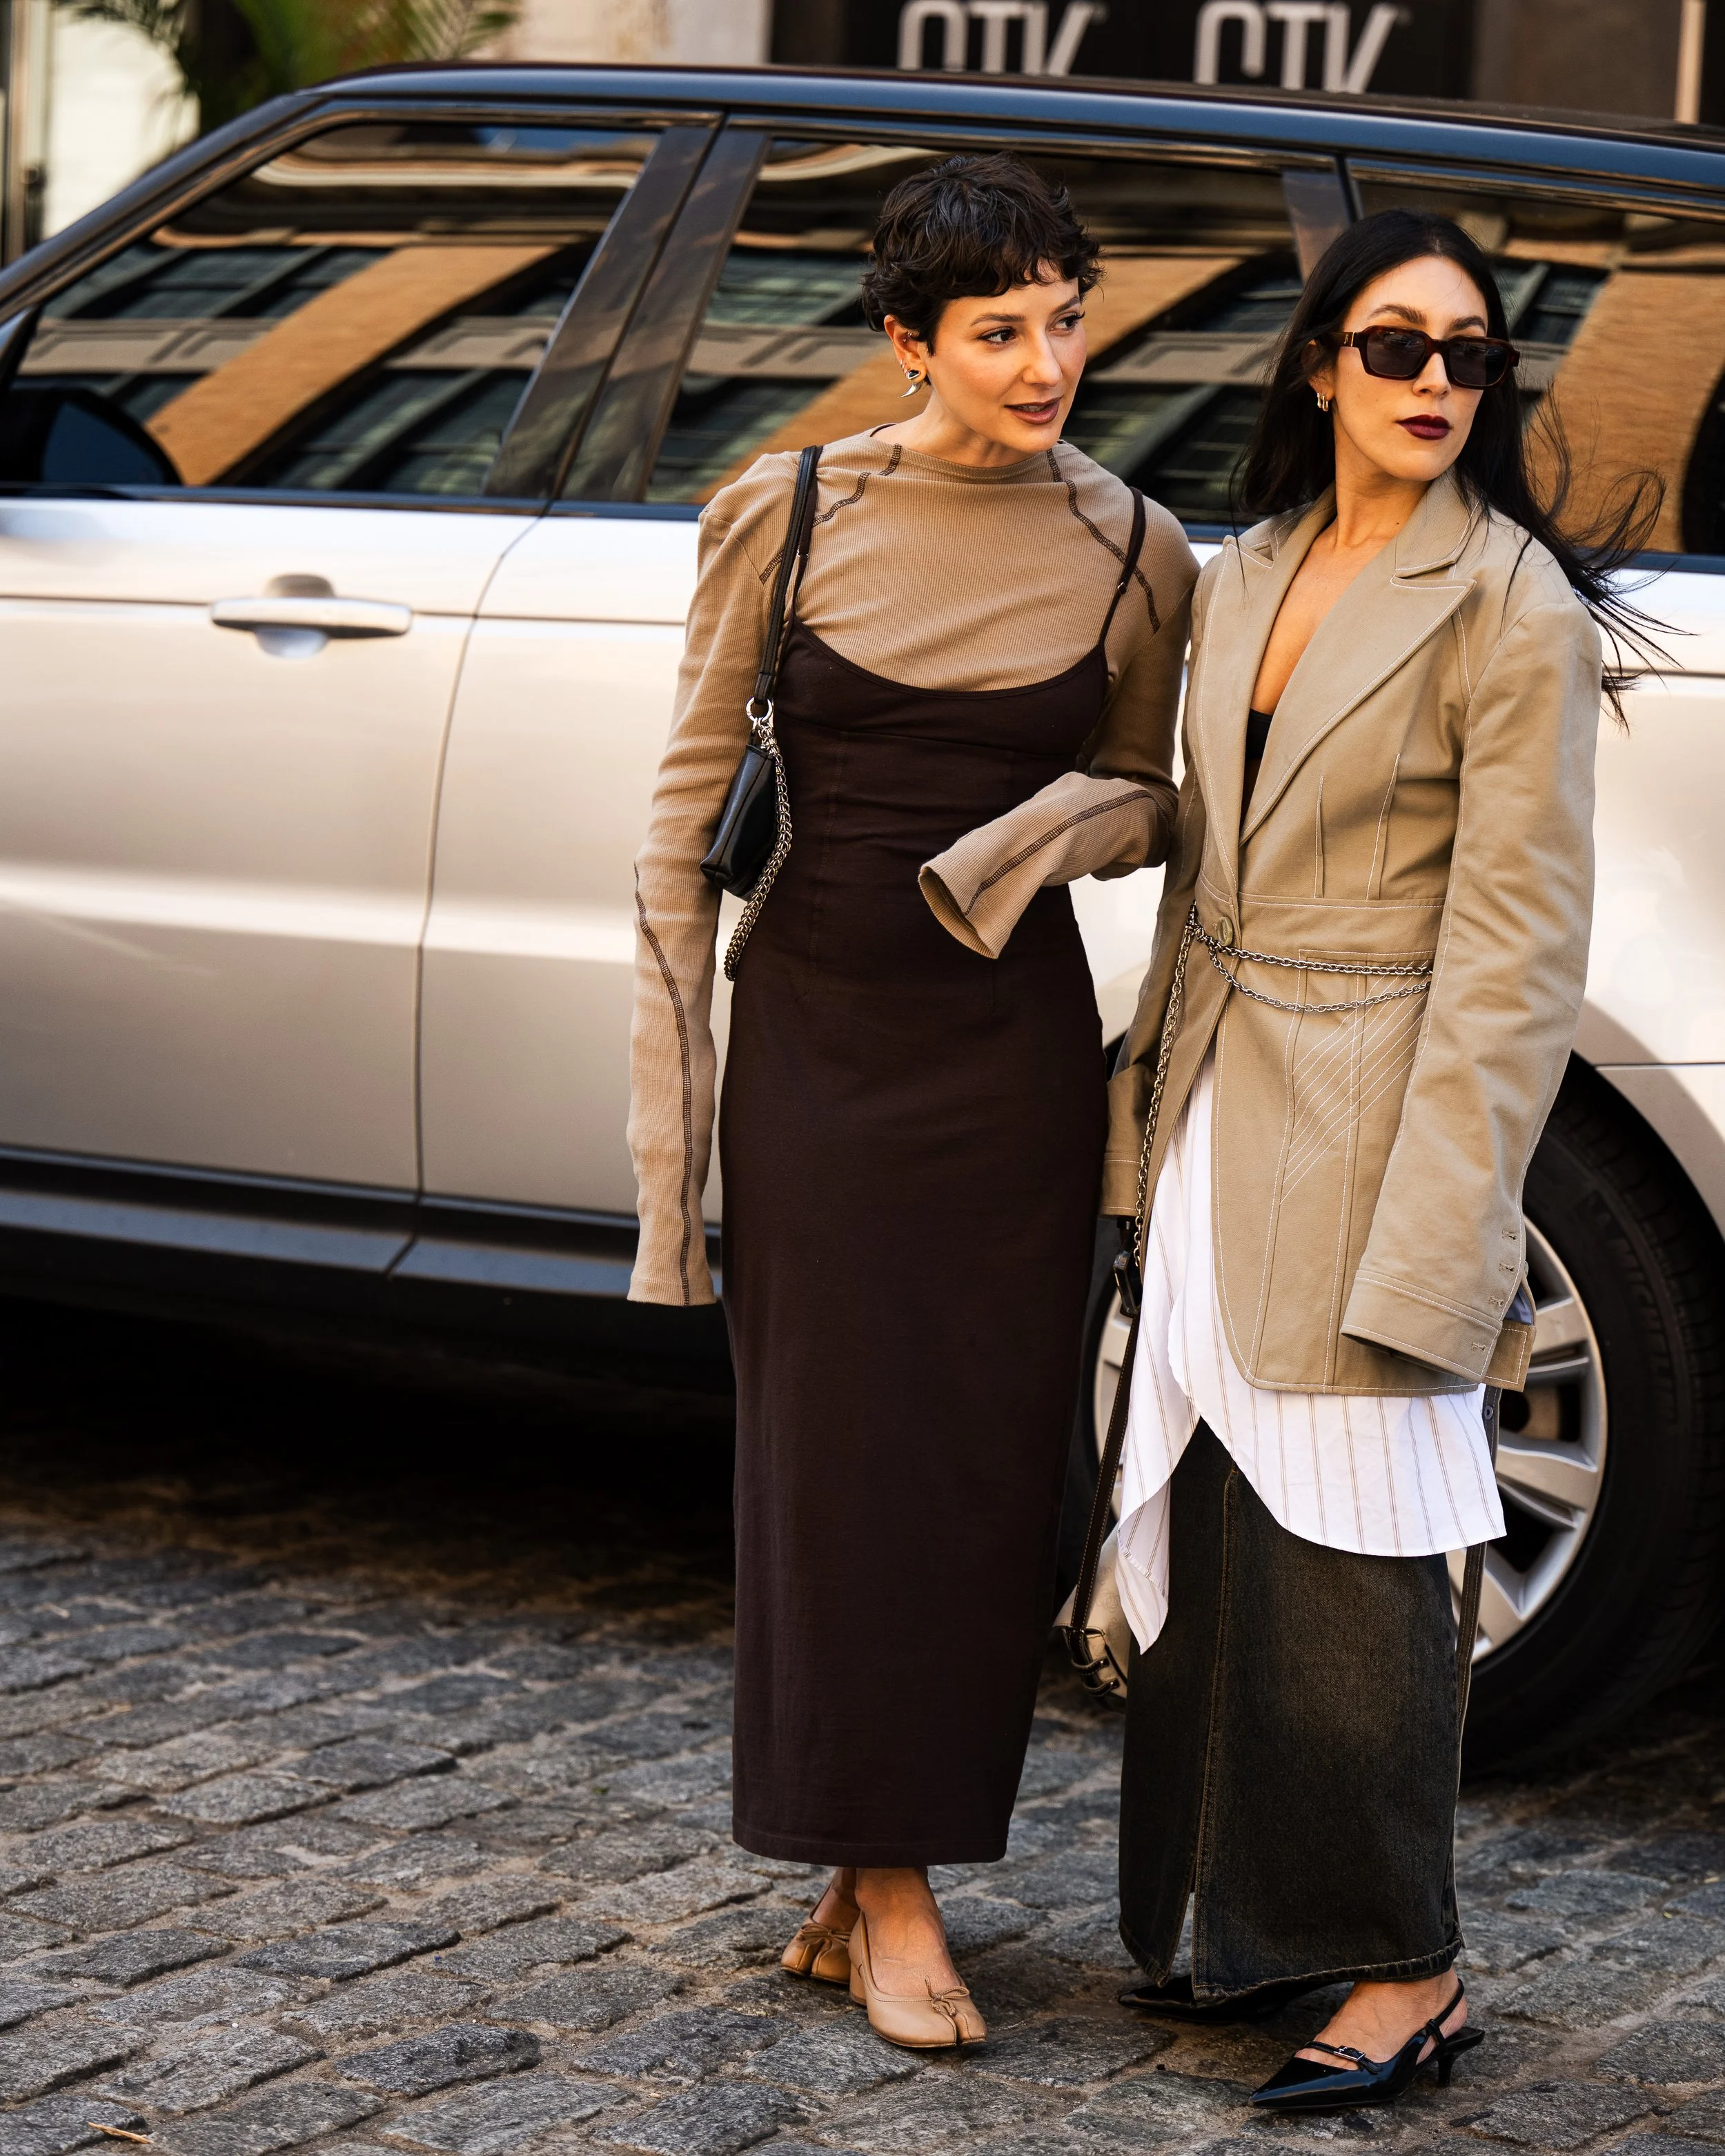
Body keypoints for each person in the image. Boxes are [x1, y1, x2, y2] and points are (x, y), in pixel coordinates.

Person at [923, 206, 1651, 2107]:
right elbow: (1208, 838)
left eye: (1466, 355)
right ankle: (1231, 1921)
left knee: (1360, 1540)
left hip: (1380, 1101)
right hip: (1214, 1085)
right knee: (1219, 1514)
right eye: (1393, 346)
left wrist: (1444, 1234)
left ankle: (1407, 1964)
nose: (1431, 382)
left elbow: (1512, 966)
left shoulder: (1508, 608)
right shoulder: (1242, 573)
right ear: (1316, 365)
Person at [625, 153, 1198, 2049]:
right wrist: (666, 1162)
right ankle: (890, 1893)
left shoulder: (1134, 546)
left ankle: (869, 1857)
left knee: (965, 1482)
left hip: (1003, 1067)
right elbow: (673, 836)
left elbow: (1152, 794)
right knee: (831, 1467)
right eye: (999, 332)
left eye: (1064, 320)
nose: (1046, 363)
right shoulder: (780, 512)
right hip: (817, 1045)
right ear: (906, 345)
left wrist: (1037, 835)